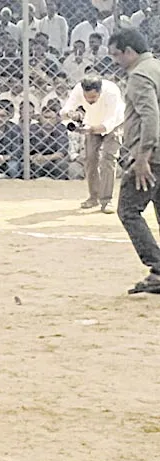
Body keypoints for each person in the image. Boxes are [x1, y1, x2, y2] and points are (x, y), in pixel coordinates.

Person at [109, 28, 160, 293]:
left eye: (117, 55)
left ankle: (158, 269)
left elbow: (150, 117)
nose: (115, 61)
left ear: (130, 51)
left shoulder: (139, 75)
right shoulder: (156, 67)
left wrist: (143, 157)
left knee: (128, 210)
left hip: (152, 157)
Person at [60, 75, 125, 213]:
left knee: (108, 158)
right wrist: (71, 114)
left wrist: (92, 129)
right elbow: (65, 111)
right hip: (92, 121)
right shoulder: (78, 89)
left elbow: (111, 121)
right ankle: (93, 197)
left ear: (100, 91)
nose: (89, 100)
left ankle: (107, 200)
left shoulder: (112, 92)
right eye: (86, 97)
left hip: (113, 125)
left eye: (93, 97)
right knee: (90, 159)